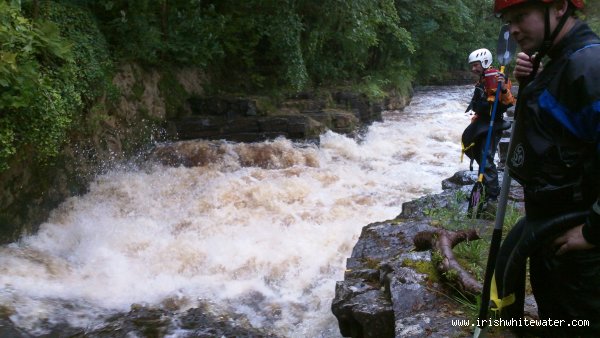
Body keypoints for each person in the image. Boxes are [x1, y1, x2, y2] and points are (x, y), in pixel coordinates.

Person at [494, 0, 600, 336]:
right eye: (508, 21)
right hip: (554, 241)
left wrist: (594, 231)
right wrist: (532, 82)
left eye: (520, 16)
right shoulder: (557, 64)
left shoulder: (589, 65)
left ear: (557, 7)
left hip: (584, 251)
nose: (512, 29)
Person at [462, 48, 515, 205]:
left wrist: (503, 87)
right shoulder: (484, 78)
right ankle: (483, 188)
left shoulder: (495, 77)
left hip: (493, 124)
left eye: (476, 65)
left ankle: (492, 194)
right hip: (483, 122)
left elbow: (508, 101)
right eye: (472, 65)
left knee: (486, 157)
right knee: (479, 154)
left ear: (485, 62)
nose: (473, 68)